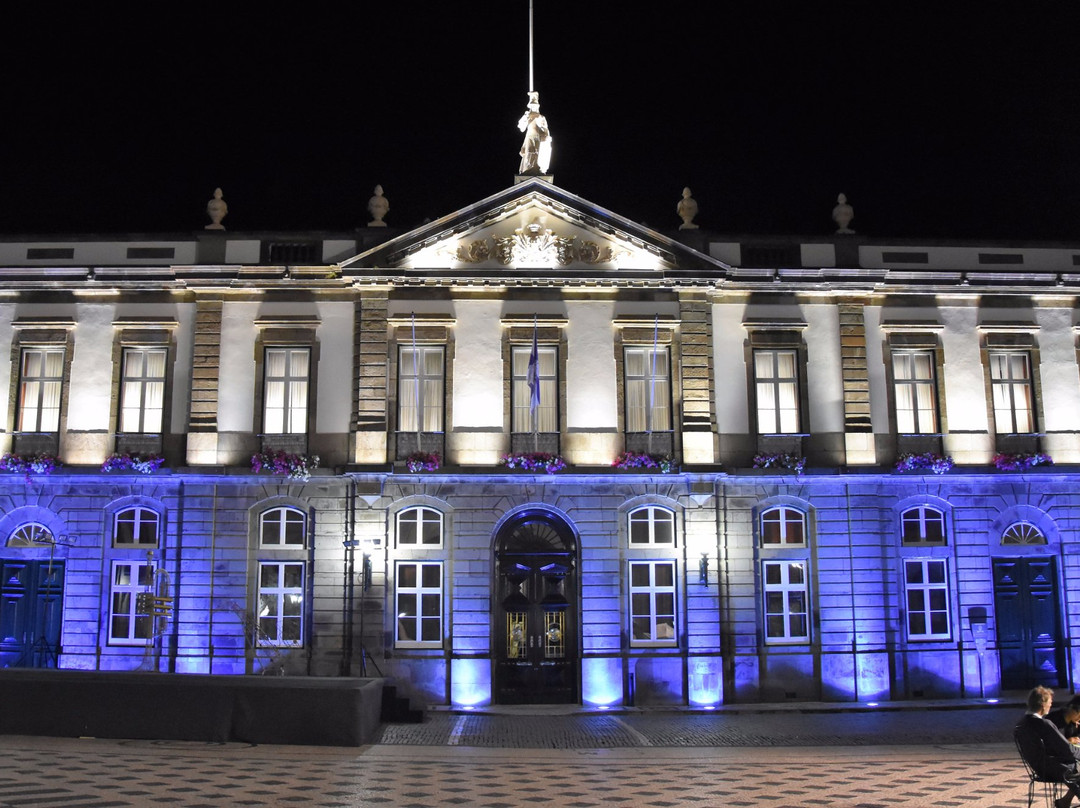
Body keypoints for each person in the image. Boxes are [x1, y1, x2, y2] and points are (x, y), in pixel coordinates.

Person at [1015, 686, 1080, 808]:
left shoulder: (1022, 722)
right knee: (1077, 767)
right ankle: (1064, 802)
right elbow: (1067, 749)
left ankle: (1064, 802)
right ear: (1043, 704)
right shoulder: (1044, 724)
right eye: (1050, 702)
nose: (1051, 705)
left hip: (1039, 766)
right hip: (1053, 767)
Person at [517, 91, 551, 175]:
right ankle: (528, 169)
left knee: (537, 153)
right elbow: (521, 127)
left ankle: (537, 169)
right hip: (529, 137)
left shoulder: (541, 117)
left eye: (535, 105)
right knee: (529, 153)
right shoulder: (527, 116)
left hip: (538, 137)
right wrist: (525, 117)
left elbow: (545, 129)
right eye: (532, 105)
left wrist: (546, 136)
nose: (534, 107)